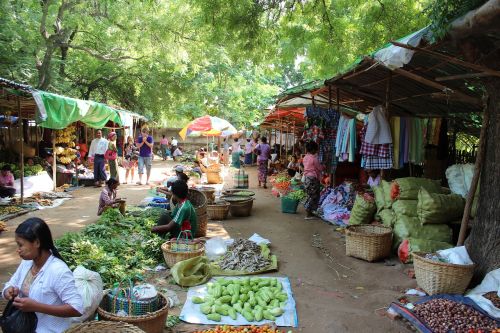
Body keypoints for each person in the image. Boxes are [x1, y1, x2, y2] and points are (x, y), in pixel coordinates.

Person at [2, 218, 83, 332]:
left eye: (20, 245)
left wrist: (37, 307)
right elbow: (11, 283)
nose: (18, 250)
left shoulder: (58, 271)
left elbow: (76, 308)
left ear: (37, 243)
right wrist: (8, 291)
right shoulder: (27, 263)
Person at [303, 141, 323, 220]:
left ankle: (310, 212)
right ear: (313, 150)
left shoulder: (305, 157)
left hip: (307, 178)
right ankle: (308, 213)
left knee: (310, 195)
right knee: (313, 196)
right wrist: (323, 166)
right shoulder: (314, 158)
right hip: (313, 179)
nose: (317, 151)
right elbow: (319, 168)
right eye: (316, 149)